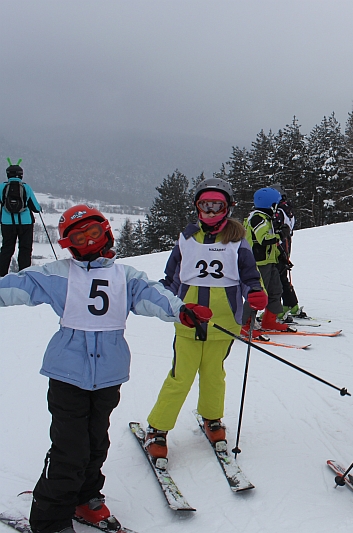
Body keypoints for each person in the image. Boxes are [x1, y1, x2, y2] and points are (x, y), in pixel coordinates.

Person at [0, 204, 210, 533]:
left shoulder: (125, 277)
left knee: (97, 443)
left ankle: (85, 498)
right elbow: (18, 286)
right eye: (78, 237)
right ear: (68, 244)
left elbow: (153, 295)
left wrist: (181, 310)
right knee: (70, 449)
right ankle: (49, 520)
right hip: (67, 375)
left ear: (106, 232)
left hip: (108, 376)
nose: (87, 241)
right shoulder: (58, 274)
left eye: (93, 233)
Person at [145, 177, 266, 459]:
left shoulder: (237, 240)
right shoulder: (187, 239)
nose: (211, 212)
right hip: (189, 320)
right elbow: (172, 278)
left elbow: (250, 277)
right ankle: (158, 428)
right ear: (197, 207)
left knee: (214, 374)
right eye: (205, 206)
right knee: (181, 376)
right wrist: (162, 299)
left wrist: (256, 293)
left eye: (217, 206)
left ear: (228, 207)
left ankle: (212, 418)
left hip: (224, 322)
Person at [242, 187, 289, 332]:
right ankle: (245, 324)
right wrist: (281, 234)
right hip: (258, 263)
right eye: (276, 204)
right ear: (270, 204)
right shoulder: (257, 218)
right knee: (257, 293)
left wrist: (281, 255)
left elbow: (271, 244)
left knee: (276, 290)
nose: (277, 207)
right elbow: (263, 240)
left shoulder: (266, 218)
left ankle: (269, 320)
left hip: (269, 261)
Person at [0, 160, 42, 276]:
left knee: (7, 249)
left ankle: (1, 275)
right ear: (21, 175)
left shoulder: (2, 187)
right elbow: (36, 207)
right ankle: (24, 275)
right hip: (26, 223)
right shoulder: (26, 187)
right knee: (25, 249)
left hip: (7, 223)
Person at [271, 183, 305, 320]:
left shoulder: (279, 210)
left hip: (278, 245)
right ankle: (291, 305)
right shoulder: (287, 209)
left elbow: (274, 227)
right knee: (282, 275)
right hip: (286, 244)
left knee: (276, 277)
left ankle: (278, 309)